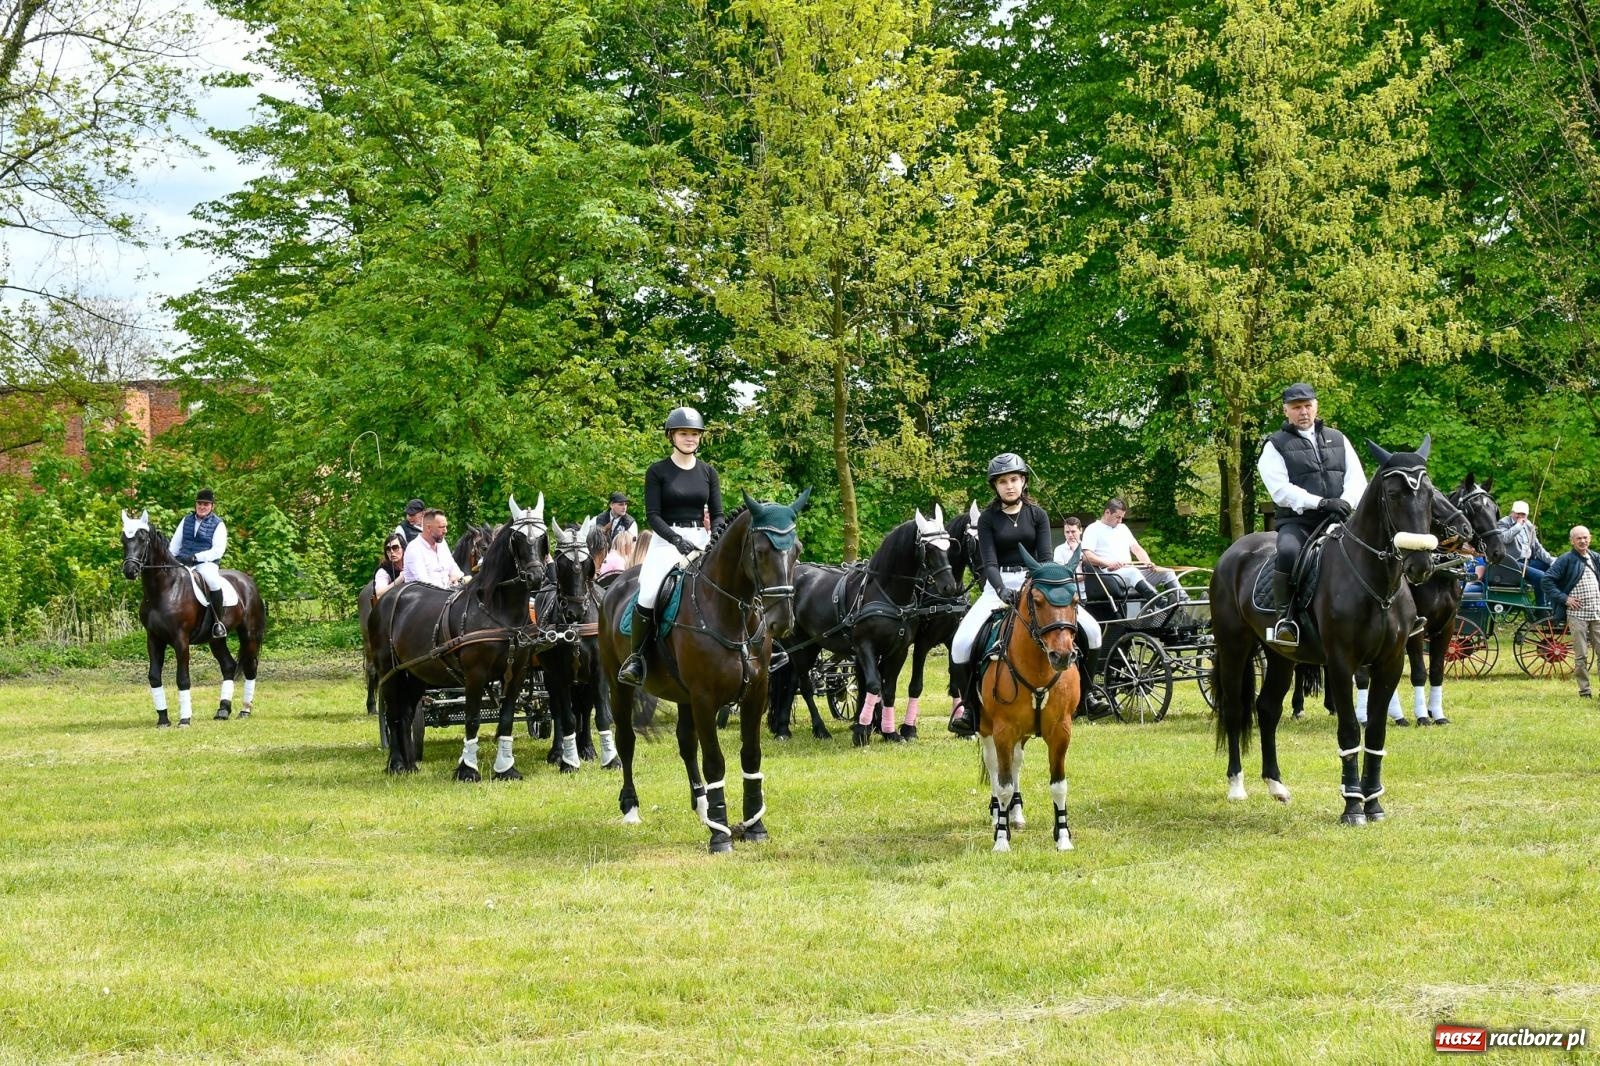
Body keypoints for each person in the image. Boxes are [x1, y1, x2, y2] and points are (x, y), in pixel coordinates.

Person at [947, 453, 1108, 736]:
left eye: (1014, 479)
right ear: (995, 486)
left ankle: (1089, 694)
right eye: (1003, 482)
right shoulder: (987, 519)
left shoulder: (1038, 515)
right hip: (998, 586)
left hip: (1038, 583)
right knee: (960, 643)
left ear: (1023, 481)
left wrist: (1037, 587)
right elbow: (988, 563)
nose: (1009, 486)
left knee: (1093, 631)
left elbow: (1045, 558)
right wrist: (1001, 589)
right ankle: (971, 710)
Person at [618, 406, 723, 685]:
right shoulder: (658, 471)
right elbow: (653, 515)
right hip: (667, 542)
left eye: (695, 434)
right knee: (650, 592)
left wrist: (715, 537)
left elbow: (719, 513)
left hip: (702, 539)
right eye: (684, 433)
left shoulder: (708, 472)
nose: (690, 438)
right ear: (671, 436)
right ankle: (637, 660)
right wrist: (677, 541)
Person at [1257, 382, 1367, 646]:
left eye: (1308, 405)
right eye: (1296, 407)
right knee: (1287, 553)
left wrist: (1344, 502)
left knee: (1377, 547)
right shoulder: (1275, 445)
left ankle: (1399, 612)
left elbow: (1357, 479)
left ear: (1316, 406)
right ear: (1286, 411)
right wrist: (1320, 503)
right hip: (1299, 522)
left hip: (1341, 517)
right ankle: (1286, 619)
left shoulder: (1339, 439)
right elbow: (1281, 490)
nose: (1303, 412)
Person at [1081, 497, 1186, 606]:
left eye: (1122, 517)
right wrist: (1108, 563)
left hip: (1129, 571)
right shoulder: (1093, 529)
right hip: (1110, 575)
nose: (1120, 521)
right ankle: (1163, 604)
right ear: (1107, 512)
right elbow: (1087, 556)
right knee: (1133, 572)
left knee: (1167, 572)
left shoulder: (1123, 528)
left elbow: (1136, 548)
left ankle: (1185, 602)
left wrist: (1147, 563)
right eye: (1118, 517)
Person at [1541, 525, 1600, 699]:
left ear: (1590, 538)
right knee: (1581, 655)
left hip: (1597, 613)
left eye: (1585, 537)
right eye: (1578, 538)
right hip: (1577, 616)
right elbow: (1547, 580)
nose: (1582, 541)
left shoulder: (1595, 558)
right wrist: (1565, 599)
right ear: (1572, 541)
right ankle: (1585, 691)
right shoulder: (1565, 559)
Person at [171, 488, 230, 639]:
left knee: (213, 581)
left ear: (212, 506)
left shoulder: (218, 524)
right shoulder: (186, 520)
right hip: (183, 561)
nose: (202, 507)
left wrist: (196, 557)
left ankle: (218, 622)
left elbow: (218, 550)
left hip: (206, 563)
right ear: (196, 504)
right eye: (199, 504)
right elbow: (174, 545)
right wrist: (173, 559)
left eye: (206, 504)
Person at [1497, 500, 1555, 609]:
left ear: (1527, 515)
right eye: (1517, 513)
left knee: (1553, 569)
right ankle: (1541, 608)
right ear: (1512, 512)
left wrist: (1551, 560)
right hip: (1512, 563)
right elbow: (1505, 539)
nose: (1520, 516)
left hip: (1528, 562)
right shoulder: (1503, 523)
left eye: (1522, 514)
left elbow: (1537, 548)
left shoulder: (1529, 526)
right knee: (1541, 576)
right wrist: (1518, 526)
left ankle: (1551, 603)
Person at [402, 508, 466, 589]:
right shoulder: (414, 548)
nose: (445, 531)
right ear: (429, 528)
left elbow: (454, 569)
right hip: (423, 597)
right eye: (441, 527)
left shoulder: (442, 543)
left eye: (446, 526)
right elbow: (424, 584)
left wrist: (455, 577)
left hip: (446, 595)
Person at [373, 533, 406, 599]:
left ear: (403, 548)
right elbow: (379, 594)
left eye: (395, 548)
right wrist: (400, 579)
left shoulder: (411, 564)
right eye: (388, 549)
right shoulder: (383, 571)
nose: (391, 552)